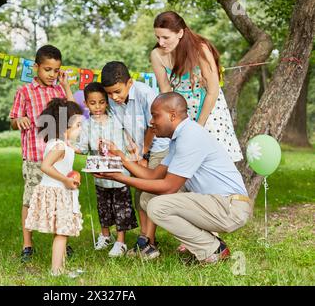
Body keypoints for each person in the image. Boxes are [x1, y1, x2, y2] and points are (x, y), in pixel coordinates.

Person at [96, 92, 251, 264]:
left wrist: (119, 178)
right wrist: (121, 158)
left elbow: (168, 187)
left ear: (172, 115)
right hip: (217, 203)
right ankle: (209, 243)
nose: (151, 122)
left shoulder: (190, 136)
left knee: (157, 206)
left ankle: (213, 249)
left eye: (155, 116)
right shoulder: (180, 137)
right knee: (148, 198)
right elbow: (153, 176)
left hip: (230, 208)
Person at [9, 45, 75, 262]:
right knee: (30, 199)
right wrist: (18, 120)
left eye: (56, 70)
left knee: (60, 199)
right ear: (36, 67)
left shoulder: (59, 91)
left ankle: (61, 242)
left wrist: (66, 86)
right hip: (35, 156)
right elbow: (13, 120)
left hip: (57, 157)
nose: (52, 74)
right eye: (47, 69)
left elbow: (74, 114)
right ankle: (27, 244)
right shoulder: (25, 92)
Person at [150, 11, 243, 162]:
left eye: (166, 37)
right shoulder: (157, 55)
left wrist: (199, 127)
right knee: (185, 161)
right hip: (183, 112)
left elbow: (213, 91)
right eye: (158, 37)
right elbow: (166, 92)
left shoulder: (200, 49)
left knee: (211, 160)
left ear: (180, 33)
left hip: (208, 109)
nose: (161, 43)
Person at [101, 61, 169, 257]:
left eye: (117, 92)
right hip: (138, 150)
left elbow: (153, 127)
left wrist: (145, 155)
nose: (114, 97)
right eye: (110, 93)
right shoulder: (113, 99)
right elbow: (124, 127)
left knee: (149, 192)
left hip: (157, 147)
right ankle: (146, 239)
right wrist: (134, 152)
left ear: (129, 83)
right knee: (139, 191)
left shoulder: (145, 94)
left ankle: (148, 242)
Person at [72, 82, 138, 257]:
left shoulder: (116, 119)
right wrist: (67, 146)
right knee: (103, 207)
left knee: (121, 207)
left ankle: (121, 241)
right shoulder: (86, 125)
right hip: (100, 175)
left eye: (101, 102)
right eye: (93, 103)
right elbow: (83, 147)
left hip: (119, 173)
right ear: (86, 104)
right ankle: (105, 235)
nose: (98, 106)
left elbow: (128, 141)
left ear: (107, 102)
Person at [25, 98, 83, 276]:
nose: (81, 129)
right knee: (62, 233)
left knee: (60, 232)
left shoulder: (60, 143)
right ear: (65, 127)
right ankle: (57, 271)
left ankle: (61, 267)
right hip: (58, 191)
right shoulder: (59, 146)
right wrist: (65, 180)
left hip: (57, 191)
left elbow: (68, 153)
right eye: (78, 125)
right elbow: (45, 167)